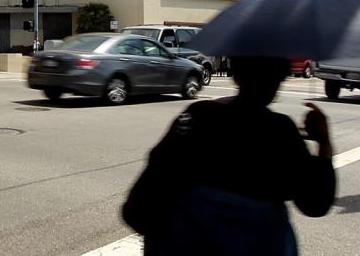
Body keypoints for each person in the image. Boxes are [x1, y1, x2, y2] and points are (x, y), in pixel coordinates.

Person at [121, 56, 335, 255]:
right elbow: (316, 204)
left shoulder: (197, 118)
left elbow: (137, 209)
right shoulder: (280, 132)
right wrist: (324, 143)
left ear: (235, 73)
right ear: (279, 77)